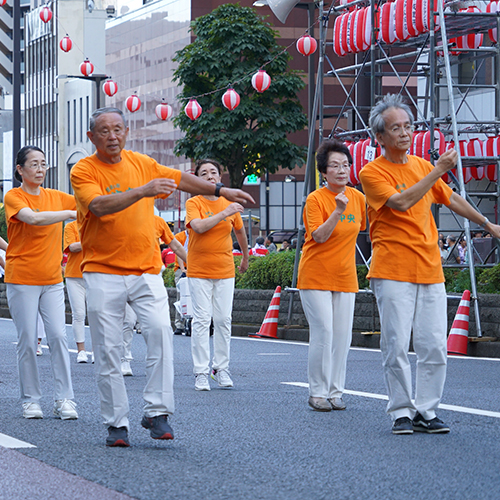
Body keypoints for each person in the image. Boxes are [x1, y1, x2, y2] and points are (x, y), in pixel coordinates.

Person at [70, 107, 254, 447]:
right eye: (104, 131)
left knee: (160, 334)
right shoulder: (84, 169)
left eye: (118, 129)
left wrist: (220, 191)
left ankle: (157, 411)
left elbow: (181, 180)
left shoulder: (142, 163)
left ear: (126, 132)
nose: (112, 136)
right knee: (109, 350)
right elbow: (98, 206)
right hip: (101, 271)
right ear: (91, 137)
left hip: (146, 270)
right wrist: (143, 191)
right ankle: (116, 423)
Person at [359, 94, 500, 435]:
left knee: (434, 344)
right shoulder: (371, 172)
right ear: (380, 137)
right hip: (392, 269)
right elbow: (403, 202)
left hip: (429, 266)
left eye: (408, 126)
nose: (405, 134)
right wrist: (438, 168)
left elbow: (449, 197)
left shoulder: (421, 166)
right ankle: (401, 412)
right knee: (395, 344)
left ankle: (426, 410)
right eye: (396, 128)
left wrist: (487, 224)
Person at [5, 145, 78, 420]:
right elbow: (32, 219)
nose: (40, 169)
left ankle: (65, 399)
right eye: (34, 164)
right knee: (27, 341)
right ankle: (31, 401)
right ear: (20, 170)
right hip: (22, 279)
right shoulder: (14, 196)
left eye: (43, 164)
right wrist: (69, 214)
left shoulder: (57, 197)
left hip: (52, 279)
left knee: (59, 337)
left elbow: (88, 205)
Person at [297, 139, 366, 412]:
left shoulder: (359, 199)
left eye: (345, 165)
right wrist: (338, 210)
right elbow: (320, 236)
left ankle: (336, 392)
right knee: (324, 332)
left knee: (342, 337)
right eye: (334, 166)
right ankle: (317, 392)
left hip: (346, 276)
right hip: (315, 275)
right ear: (323, 172)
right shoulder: (316, 199)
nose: (341, 170)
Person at [186, 159, 249, 391]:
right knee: (202, 320)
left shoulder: (229, 203)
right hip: (199, 269)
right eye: (204, 173)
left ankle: (221, 368)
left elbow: (240, 232)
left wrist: (245, 256)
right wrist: (225, 212)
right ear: (198, 179)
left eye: (213, 172)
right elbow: (199, 227)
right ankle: (201, 372)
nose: (210, 176)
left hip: (224, 269)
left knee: (223, 320)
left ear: (220, 176)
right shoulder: (194, 202)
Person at [121, 215, 187, 376]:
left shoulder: (157, 221)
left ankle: (157, 363)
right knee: (128, 321)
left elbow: (176, 247)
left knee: (159, 325)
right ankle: (124, 359)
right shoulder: (119, 217)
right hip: (123, 276)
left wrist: (193, 263)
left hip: (151, 278)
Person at [64, 220, 91, 363]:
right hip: (74, 276)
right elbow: (72, 247)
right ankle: (81, 351)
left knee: (97, 314)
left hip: (95, 274)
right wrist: (93, 240)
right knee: (79, 314)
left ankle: (99, 351)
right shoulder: (71, 226)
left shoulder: (99, 223)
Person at [173, 229, 188, 335]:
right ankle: (179, 324)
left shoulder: (198, 235)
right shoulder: (180, 236)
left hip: (196, 268)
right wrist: (183, 269)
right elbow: (178, 252)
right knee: (181, 295)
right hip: (181, 269)